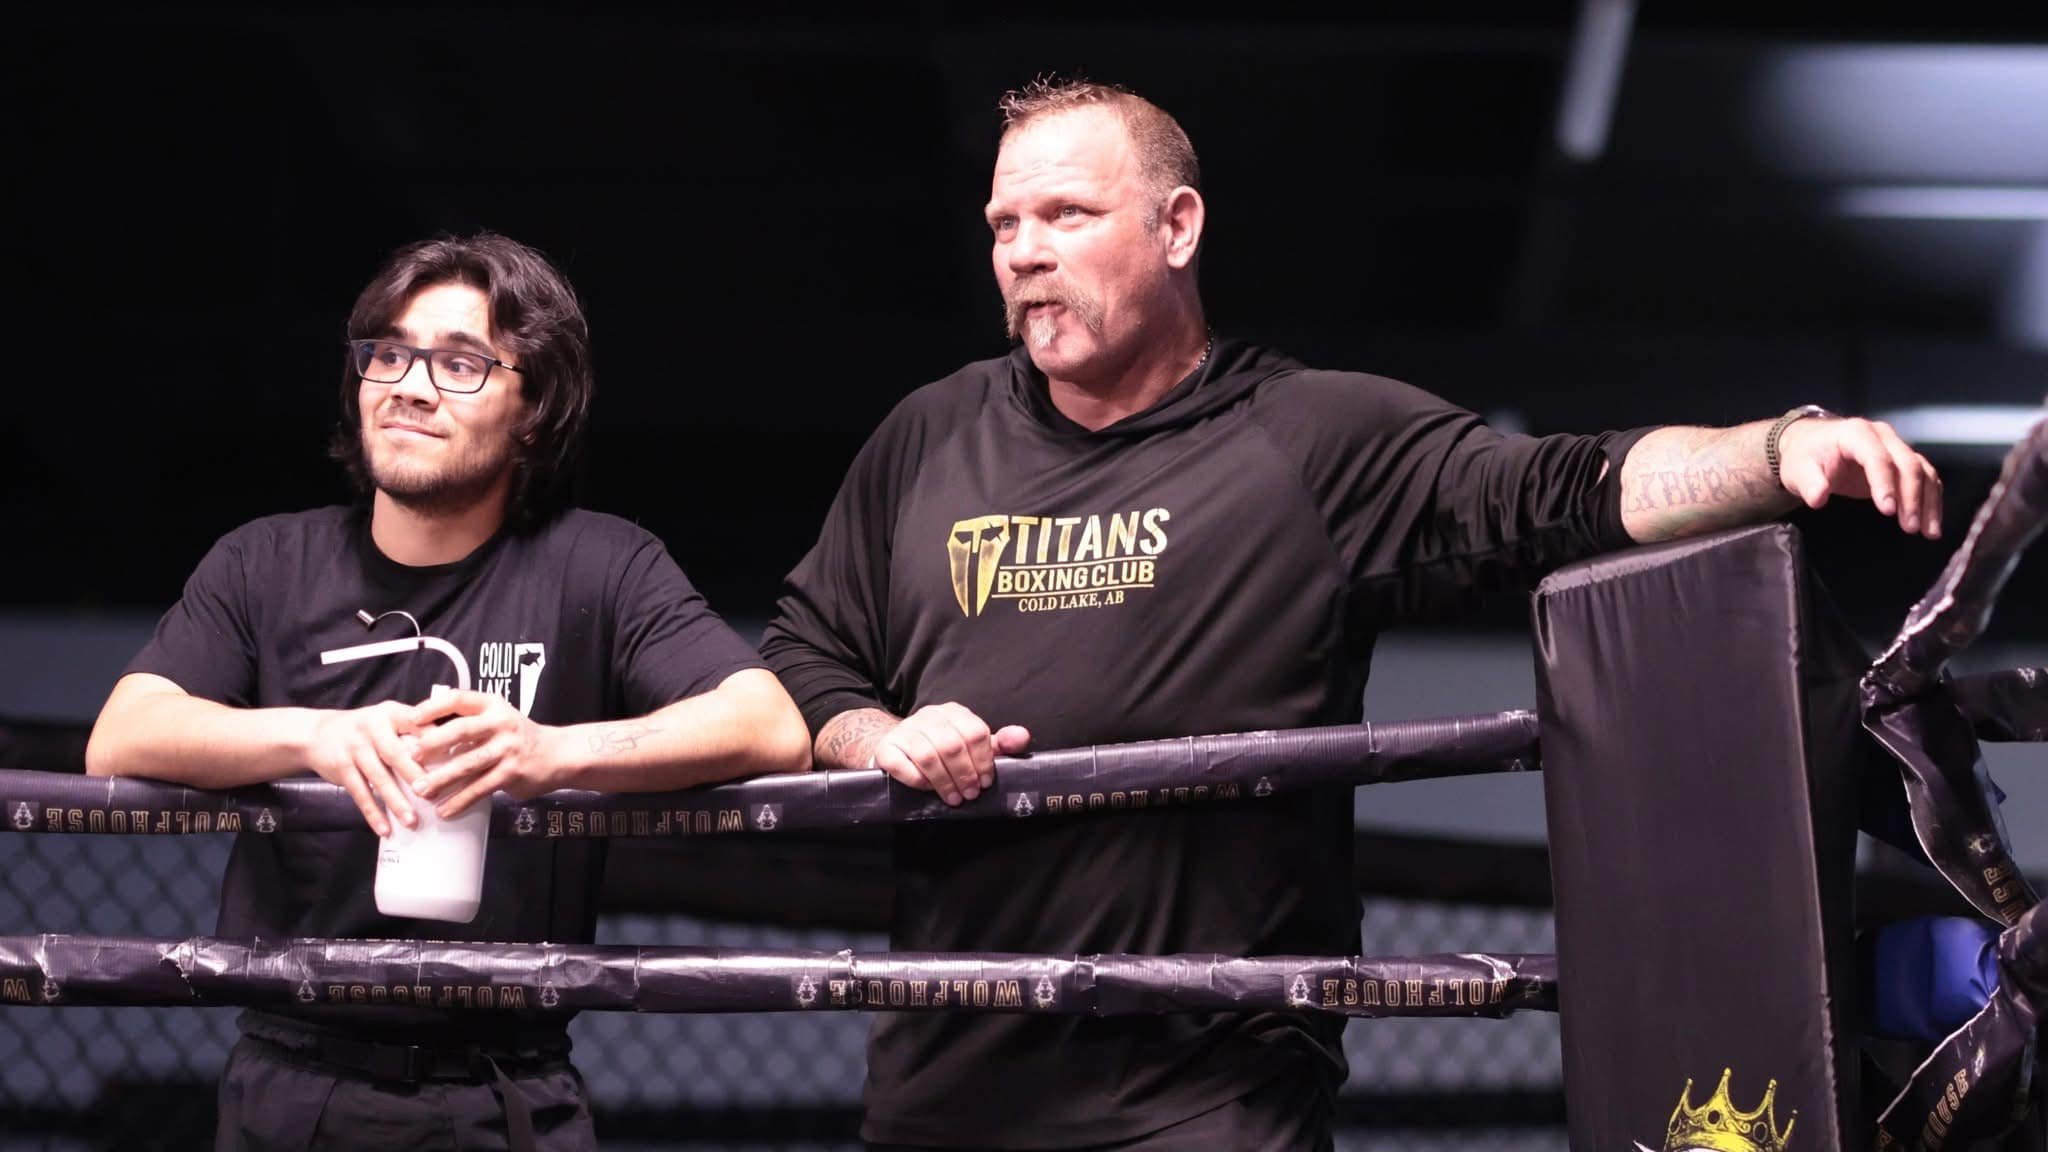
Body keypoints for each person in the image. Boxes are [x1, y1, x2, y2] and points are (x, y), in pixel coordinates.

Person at [758, 78, 1943, 1151]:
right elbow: (809, 650)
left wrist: (1778, 444)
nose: (1023, 253)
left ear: (1177, 227)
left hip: (1207, 1091)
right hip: (947, 1085)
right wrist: (878, 737)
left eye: (1065, 215)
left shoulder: (1311, 439)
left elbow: (1559, 487)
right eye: (1004, 227)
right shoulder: (928, 436)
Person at [86, 232, 811, 1151]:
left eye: (461, 362)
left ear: (536, 409)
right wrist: (315, 737)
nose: (411, 384)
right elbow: (124, 732)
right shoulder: (266, 559)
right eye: (388, 352)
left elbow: (767, 722)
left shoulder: (599, 563)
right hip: (293, 1076)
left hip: (508, 1086)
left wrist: (554, 751)